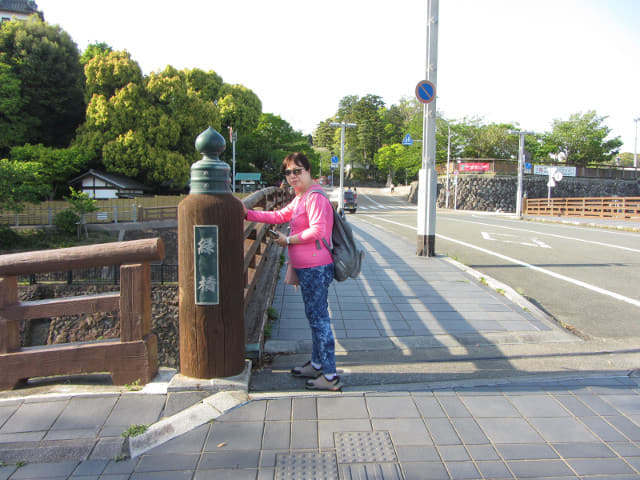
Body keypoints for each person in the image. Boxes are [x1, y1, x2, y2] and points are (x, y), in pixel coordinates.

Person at [242, 152, 341, 391]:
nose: (293, 176)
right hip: (308, 267)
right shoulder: (301, 197)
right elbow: (278, 215)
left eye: (298, 171)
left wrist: (290, 240)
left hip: (316, 267)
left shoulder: (315, 197)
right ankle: (317, 364)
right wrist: (246, 213)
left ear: (308, 172)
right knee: (315, 317)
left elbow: (318, 231)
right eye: (288, 172)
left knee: (319, 320)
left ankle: (330, 376)